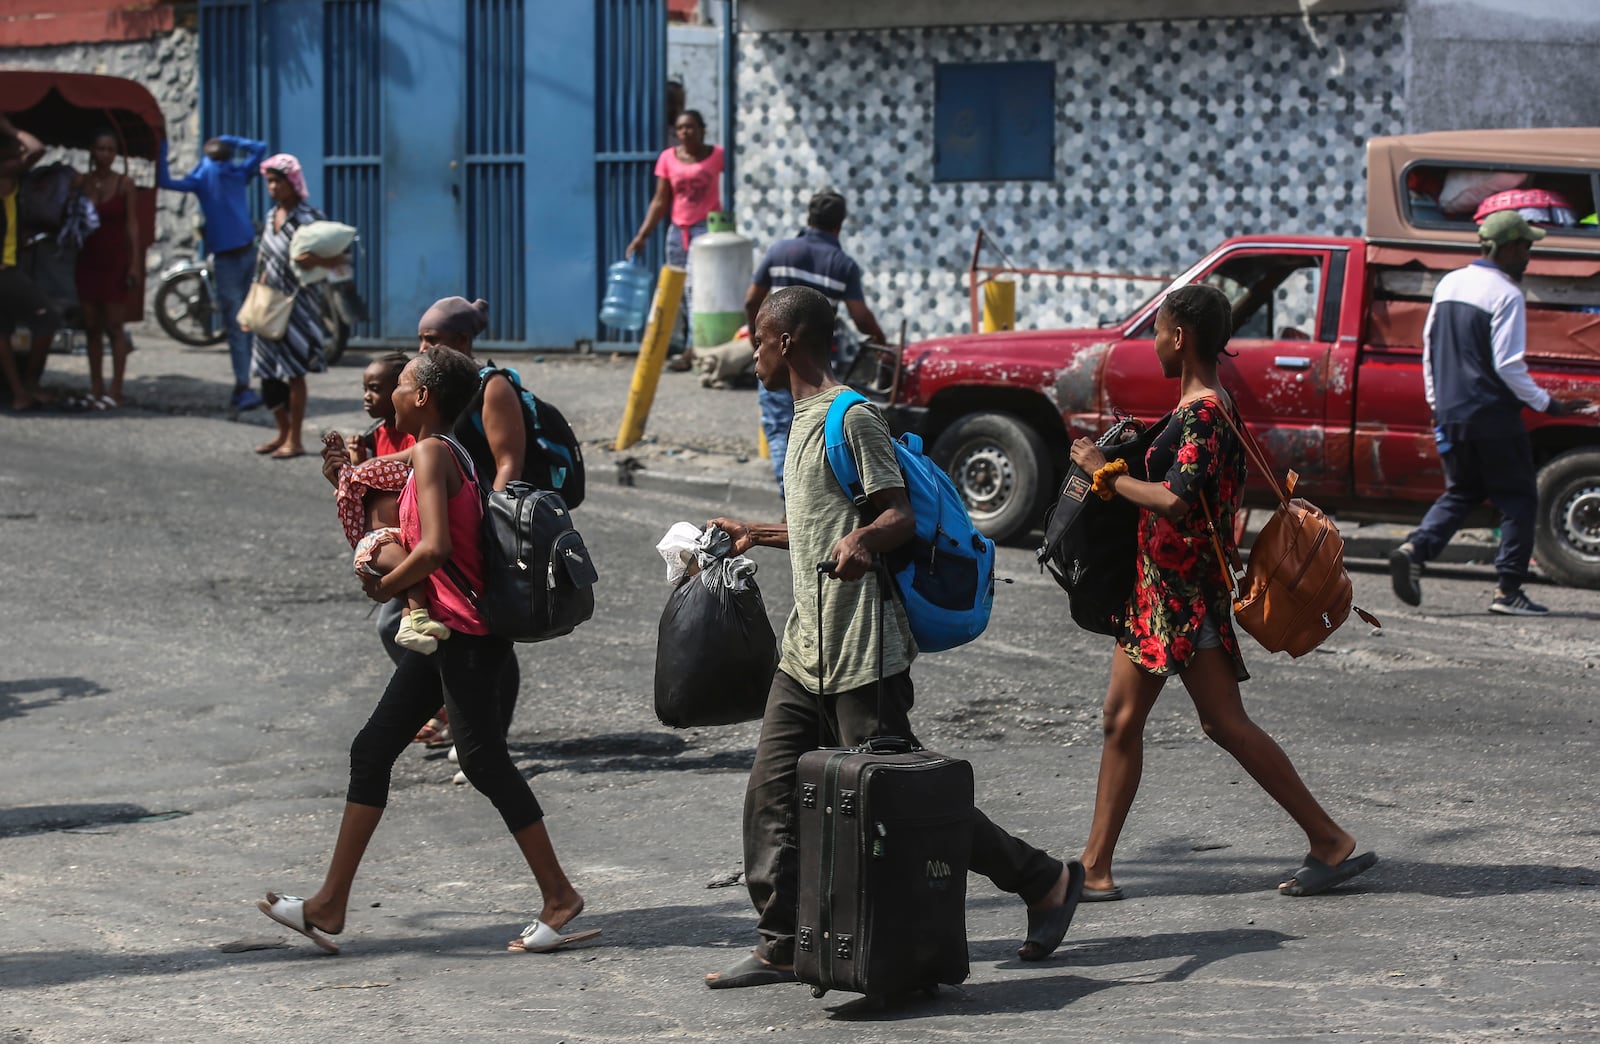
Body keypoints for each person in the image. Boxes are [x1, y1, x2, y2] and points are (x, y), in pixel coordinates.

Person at [703, 286, 1083, 989]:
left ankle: (1046, 880)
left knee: (906, 802)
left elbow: (898, 516)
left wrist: (866, 541)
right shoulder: (798, 420)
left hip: (863, 652)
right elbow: (824, 525)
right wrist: (756, 532)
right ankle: (782, 940)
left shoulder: (852, 419)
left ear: (787, 342)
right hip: (806, 651)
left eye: (758, 335)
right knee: (770, 793)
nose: (749, 347)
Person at [258, 346, 598, 956]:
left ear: (422, 398)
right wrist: (347, 481)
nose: (388, 394)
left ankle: (559, 896)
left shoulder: (437, 452)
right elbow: (392, 511)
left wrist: (384, 585)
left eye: (400, 384)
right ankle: (329, 905)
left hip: (463, 637)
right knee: (372, 751)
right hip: (447, 634)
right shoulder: (434, 453)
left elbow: (436, 546)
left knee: (485, 762)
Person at [1067, 284, 1376, 901]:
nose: (1154, 340)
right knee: (1130, 720)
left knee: (1215, 723)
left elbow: (1175, 499)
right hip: (1162, 591)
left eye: (1158, 329)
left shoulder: (1205, 413)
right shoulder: (1200, 409)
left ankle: (1329, 839)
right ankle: (1095, 866)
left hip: (1181, 594)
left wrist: (1105, 472)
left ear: (1179, 337)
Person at [1389, 210, 1590, 616]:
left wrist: (1436, 405)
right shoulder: (1506, 293)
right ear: (1509, 247)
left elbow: (1429, 351)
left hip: (1451, 412)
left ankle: (1415, 549)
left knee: (1463, 491)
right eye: (1527, 246)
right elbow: (1509, 365)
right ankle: (1508, 591)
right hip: (1493, 415)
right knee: (1518, 498)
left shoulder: (1450, 284)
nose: (1529, 256)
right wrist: (1546, 404)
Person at [744, 190, 887, 495]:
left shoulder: (780, 250)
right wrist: (883, 342)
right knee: (817, 431)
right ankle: (803, 498)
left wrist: (758, 344)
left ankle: (790, 498)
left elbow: (751, 300)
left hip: (776, 360)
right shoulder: (843, 265)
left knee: (779, 426)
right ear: (839, 225)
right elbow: (861, 318)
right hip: (815, 367)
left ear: (809, 218)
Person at [157, 133, 270, 411]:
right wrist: (232, 139)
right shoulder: (237, 171)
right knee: (253, 322)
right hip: (246, 252)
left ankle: (244, 385)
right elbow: (260, 147)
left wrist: (162, 147)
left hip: (229, 258)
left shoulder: (203, 177)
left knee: (237, 325)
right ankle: (250, 385)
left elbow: (165, 181)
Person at [249, 154, 338, 459]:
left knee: (294, 372)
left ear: (293, 182)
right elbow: (263, 263)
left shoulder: (309, 218)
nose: (272, 187)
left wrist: (317, 261)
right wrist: (253, 306)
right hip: (269, 304)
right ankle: (282, 431)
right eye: (269, 182)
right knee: (267, 374)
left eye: (278, 181)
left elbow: (339, 260)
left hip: (298, 306)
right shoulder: (272, 215)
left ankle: (295, 438)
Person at [625, 109, 724, 355]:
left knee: (696, 288)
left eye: (690, 126)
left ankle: (694, 346)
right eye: (680, 128)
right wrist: (642, 235)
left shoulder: (718, 156)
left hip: (706, 231)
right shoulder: (668, 158)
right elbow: (660, 201)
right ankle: (677, 342)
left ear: (702, 129)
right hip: (677, 232)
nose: (685, 132)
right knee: (676, 289)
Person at [71, 130, 141, 409]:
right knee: (91, 326)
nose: (105, 155)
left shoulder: (125, 184)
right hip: (87, 260)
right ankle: (96, 385)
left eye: (110, 150)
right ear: (92, 151)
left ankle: (116, 387)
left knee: (115, 326)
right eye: (100, 149)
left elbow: (132, 225)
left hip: (114, 261)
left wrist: (134, 263)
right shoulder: (81, 182)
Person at [0, 117, 58, 411]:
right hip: (4, 269)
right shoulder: (4, 174)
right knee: (47, 318)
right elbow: (37, 150)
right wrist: (11, 128)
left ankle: (18, 391)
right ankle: (29, 385)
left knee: (2, 332)